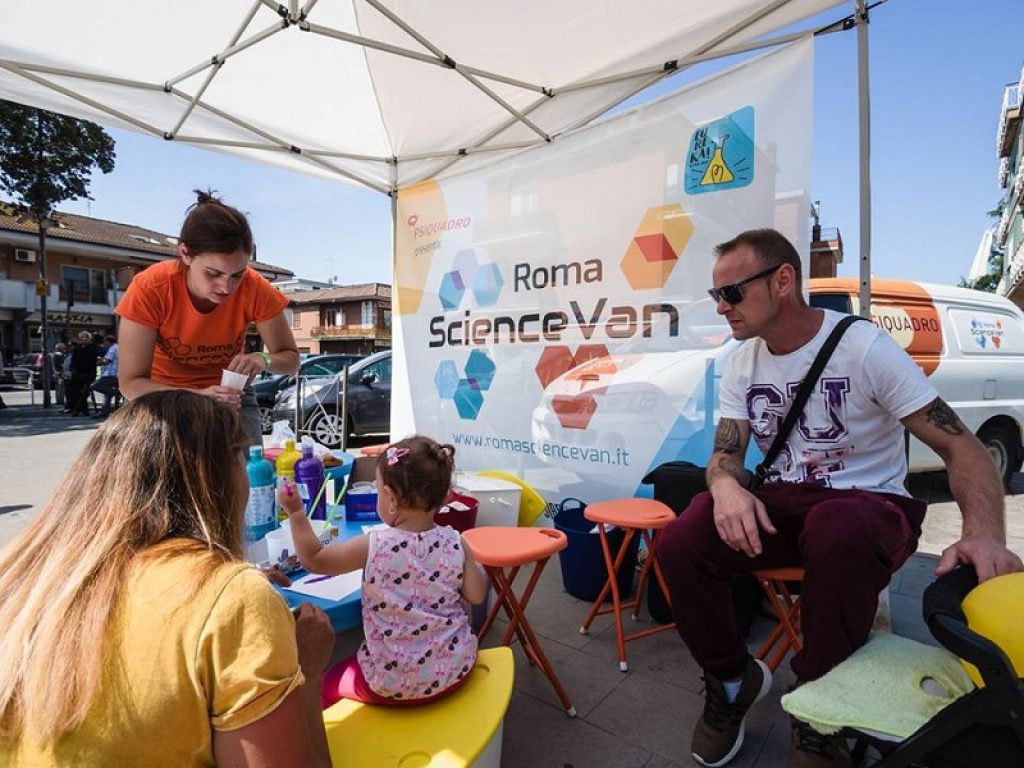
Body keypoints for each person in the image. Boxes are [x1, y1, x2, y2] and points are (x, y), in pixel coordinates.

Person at [658, 229, 1023, 768]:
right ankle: (733, 681)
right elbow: (727, 452)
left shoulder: (864, 347)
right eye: (716, 296)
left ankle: (819, 707)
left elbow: (959, 444)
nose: (722, 308)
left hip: (868, 506)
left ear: (783, 281)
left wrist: (985, 533)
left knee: (839, 528)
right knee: (682, 538)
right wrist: (726, 485)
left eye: (731, 293)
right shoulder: (742, 362)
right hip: (786, 501)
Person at [0, 390, 334, 767]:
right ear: (220, 477)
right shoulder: (235, 600)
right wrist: (307, 668)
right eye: (241, 457)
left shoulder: (19, 575)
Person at [282, 435, 489, 707]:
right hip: (457, 667)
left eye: (378, 489)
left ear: (390, 498)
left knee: (325, 682)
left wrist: (296, 512)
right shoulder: (456, 541)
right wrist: (475, 564)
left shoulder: (375, 545)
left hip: (391, 684)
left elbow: (315, 559)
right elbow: (476, 595)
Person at [116, 191, 299, 444]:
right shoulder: (152, 287)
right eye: (213, 273)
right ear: (185, 254)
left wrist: (262, 358)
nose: (226, 287)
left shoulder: (255, 287)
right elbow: (131, 383)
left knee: (249, 474)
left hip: (232, 396)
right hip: (162, 396)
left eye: (237, 275)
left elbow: (291, 360)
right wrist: (198, 395)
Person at [65, 331, 102, 416]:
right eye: (82, 337)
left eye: (86, 337)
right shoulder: (77, 348)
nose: (84, 339)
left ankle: (77, 410)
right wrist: (72, 370)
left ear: (89, 338)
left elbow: (102, 355)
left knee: (85, 391)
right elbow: (73, 360)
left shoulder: (94, 347)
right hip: (77, 373)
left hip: (89, 373)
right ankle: (84, 409)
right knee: (75, 391)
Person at [90, 334, 120, 418]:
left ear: (108, 341)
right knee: (106, 395)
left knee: (94, 386)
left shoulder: (112, 349)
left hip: (110, 374)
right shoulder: (117, 348)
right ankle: (104, 411)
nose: (104, 344)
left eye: (105, 342)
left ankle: (115, 392)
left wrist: (100, 360)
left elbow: (107, 361)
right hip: (115, 373)